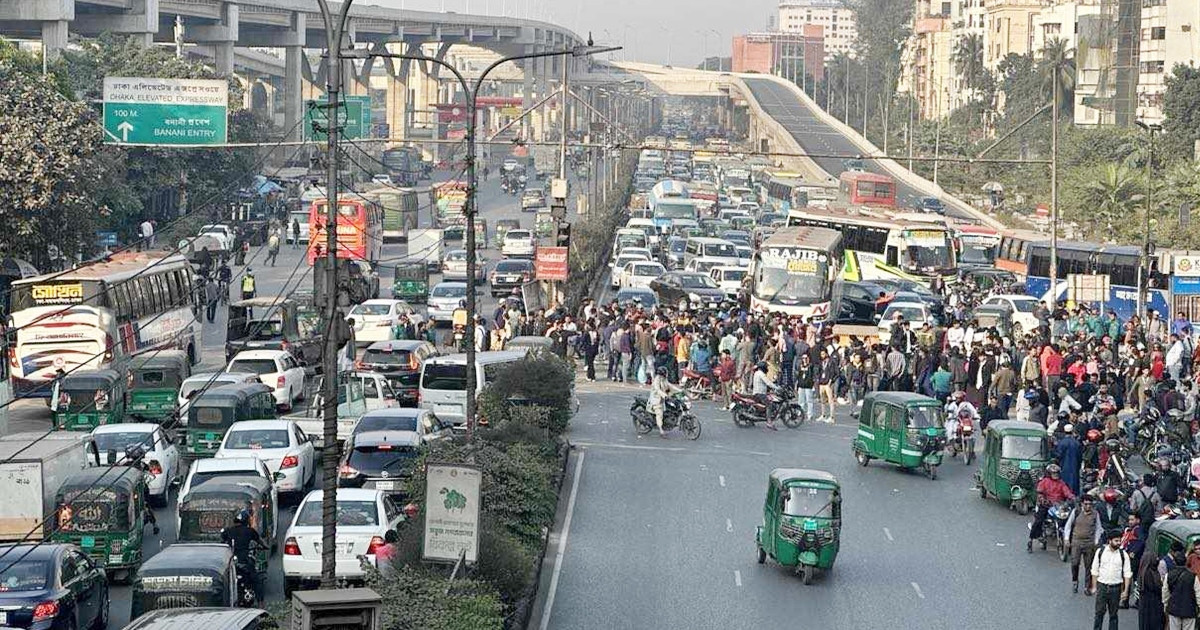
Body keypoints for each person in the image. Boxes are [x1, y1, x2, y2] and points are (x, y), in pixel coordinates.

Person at [1090, 529, 1132, 630]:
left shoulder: (1123, 555)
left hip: (1116, 588)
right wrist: (1094, 586)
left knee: (1113, 615)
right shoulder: (1100, 552)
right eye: (1116, 541)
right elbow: (1094, 570)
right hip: (1102, 587)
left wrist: (1125, 591)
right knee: (1099, 613)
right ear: (1109, 540)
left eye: (1119, 541)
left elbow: (1127, 574)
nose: (1118, 543)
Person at [1028, 463, 1074, 552]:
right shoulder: (1044, 481)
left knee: (1070, 519)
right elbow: (1040, 493)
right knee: (1039, 520)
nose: (1055, 475)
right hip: (1046, 505)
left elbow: (1067, 492)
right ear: (1049, 473)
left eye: (1057, 473)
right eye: (1053, 473)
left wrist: (1073, 498)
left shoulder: (1061, 483)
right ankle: (1030, 540)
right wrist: (1043, 500)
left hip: (1059, 505)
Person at [221, 509, 266, 599]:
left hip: (231, 560)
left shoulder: (227, 531)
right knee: (257, 580)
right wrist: (265, 546)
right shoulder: (250, 531)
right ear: (246, 520)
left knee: (224, 578)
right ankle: (261, 603)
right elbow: (261, 542)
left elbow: (222, 542)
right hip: (245, 560)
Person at [1067, 494, 1101, 594]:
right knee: (1075, 563)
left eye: (1090, 504)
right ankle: (1075, 581)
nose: (1088, 506)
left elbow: (1099, 528)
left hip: (1089, 543)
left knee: (1089, 566)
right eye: (1086, 504)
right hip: (1076, 542)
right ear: (1082, 504)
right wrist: (1066, 539)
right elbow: (1068, 526)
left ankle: (1087, 587)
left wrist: (1096, 541)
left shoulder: (1095, 514)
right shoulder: (1076, 512)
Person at [1163, 543, 1200, 630]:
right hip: (1189, 610)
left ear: (1174, 561)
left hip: (1174, 609)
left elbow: (1165, 592)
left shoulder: (1169, 575)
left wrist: (1166, 605)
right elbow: (1198, 594)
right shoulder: (1193, 576)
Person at [648, 366, 683, 438]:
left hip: (663, 398)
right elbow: (658, 390)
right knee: (659, 413)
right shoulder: (656, 380)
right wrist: (665, 396)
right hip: (656, 399)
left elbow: (669, 385)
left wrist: (679, 390)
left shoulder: (664, 379)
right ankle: (661, 430)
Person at [1055, 424, 1084, 496]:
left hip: (1064, 468)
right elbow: (1080, 457)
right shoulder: (1076, 443)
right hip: (1074, 468)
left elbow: (1058, 456)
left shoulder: (1061, 443)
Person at [751, 361, 780, 431]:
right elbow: (768, 383)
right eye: (766, 367)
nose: (767, 368)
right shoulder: (761, 374)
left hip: (758, 393)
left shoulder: (757, 373)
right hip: (760, 393)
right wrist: (777, 388)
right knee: (769, 405)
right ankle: (769, 422)